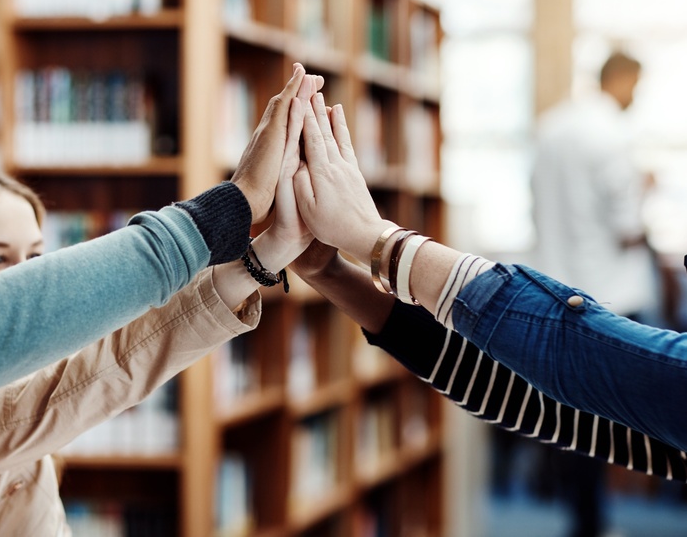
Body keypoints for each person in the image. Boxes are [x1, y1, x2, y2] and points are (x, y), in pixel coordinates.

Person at [0, 71, 321, 533]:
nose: (24, 277)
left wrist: (267, 253)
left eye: (38, 258)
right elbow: (108, 369)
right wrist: (235, 216)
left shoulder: (4, 390)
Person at [288, 84, 687, 460]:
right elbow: (543, 402)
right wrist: (334, 271)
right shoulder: (606, 136)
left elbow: (577, 361)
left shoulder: (562, 128)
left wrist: (378, 241)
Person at [527, 50, 655, 537]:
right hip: (611, 296)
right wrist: (645, 189)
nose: (635, 97)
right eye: (636, 86)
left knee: (571, 418)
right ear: (620, 79)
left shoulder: (552, 128)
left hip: (557, 289)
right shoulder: (613, 135)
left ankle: (582, 519)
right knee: (611, 420)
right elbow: (626, 228)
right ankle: (595, 523)